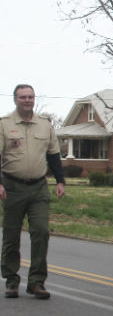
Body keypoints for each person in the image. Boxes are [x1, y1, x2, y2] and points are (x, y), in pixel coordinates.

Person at [1, 84, 65, 299]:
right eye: (23, 97)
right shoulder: (4, 125)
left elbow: (54, 155)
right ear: (15, 100)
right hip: (12, 187)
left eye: (30, 97)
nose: (27, 100)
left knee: (41, 232)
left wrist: (60, 181)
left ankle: (37, 282)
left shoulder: (45, 125)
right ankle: (11, 280)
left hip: (38, 188)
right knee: (11, 236)